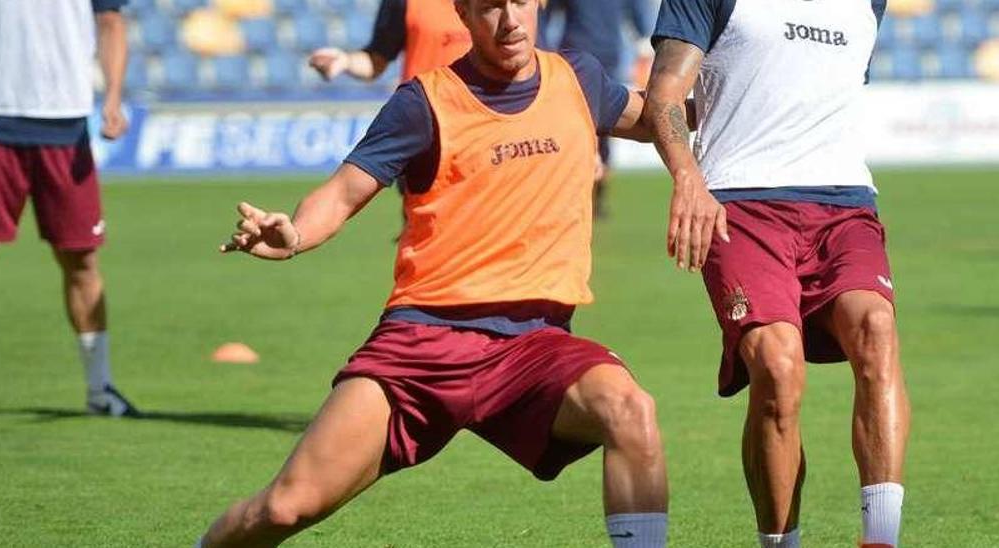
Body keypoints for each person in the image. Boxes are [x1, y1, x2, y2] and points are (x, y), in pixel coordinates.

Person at [199, 0, 679, 546]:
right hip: (423, 343)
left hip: (532, 346)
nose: (510, 22)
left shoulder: (579, 80)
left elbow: (657, 117)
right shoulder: (422, 102)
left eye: (520, 3)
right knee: (284, 509)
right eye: (490, 8)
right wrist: (297, 235)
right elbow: (342, 193)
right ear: (464, 15)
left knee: (630, 409)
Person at [643, 1, 910, 547]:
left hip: (844, 202)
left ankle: (881, 540)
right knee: (777, 365)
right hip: (743, 202)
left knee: (876, 329)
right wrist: (688, 178)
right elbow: (666, 93)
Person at [0, 0, 139, 421]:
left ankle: (100, 389)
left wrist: (112, 96)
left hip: (66, 121)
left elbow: (111, 22)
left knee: (81, 257)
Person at [540, 0, 655, 218]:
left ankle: (597, 195)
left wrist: (643, 46)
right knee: (578, 131)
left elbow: (638, 17)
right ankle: (580, 194)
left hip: (602, 57)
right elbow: (545, 13)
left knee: (602, 129)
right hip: (575, 60)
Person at [307, 0, 472, 84]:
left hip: (482, 124)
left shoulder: (493, 5)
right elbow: (375, 61)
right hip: (425, 121)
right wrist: (345, 61)